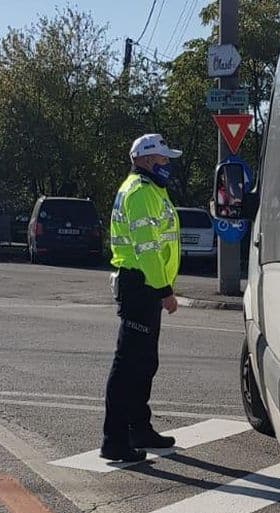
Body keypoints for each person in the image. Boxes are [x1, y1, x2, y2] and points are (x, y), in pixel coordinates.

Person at [101, 134, 182, 462]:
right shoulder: (139, 193)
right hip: (141, 286)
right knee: (128, 366)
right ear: (148, 160)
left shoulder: (149, 190)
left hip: (145, 285)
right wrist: (164, 291)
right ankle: (115, 440)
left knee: (144, 363)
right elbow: (146, 248)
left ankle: (139, 428)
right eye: (164, 160)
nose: (167, 165)